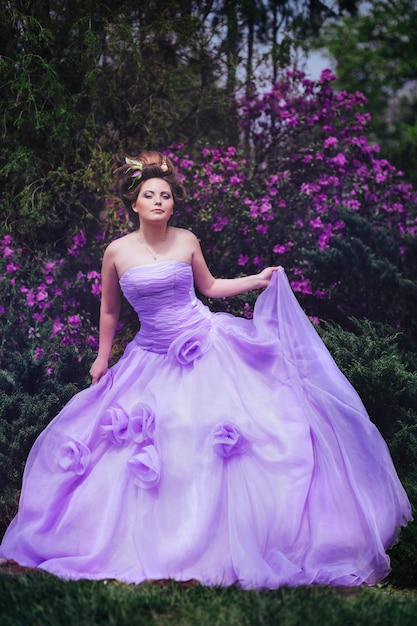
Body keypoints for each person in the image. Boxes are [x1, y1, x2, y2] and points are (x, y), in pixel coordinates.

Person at [0, 151, 411, 588]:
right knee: (146, 443)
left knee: (218, 437)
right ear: (134, 204)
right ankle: (156, 542)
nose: (158, 201)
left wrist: (256, 279)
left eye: (165, 195)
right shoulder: (117, 251)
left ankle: (232, 543)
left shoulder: (186, 240)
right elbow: (108, 309)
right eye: (148, 195)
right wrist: (102, 357)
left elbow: (210, 287)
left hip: (207, 347)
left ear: (173, 204)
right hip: (150, 357)